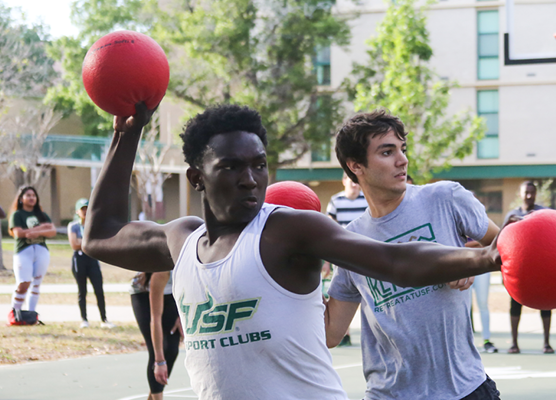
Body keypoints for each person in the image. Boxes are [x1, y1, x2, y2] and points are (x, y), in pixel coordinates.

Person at [83, 103, 504, 400]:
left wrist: (486, 257)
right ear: (196, 177)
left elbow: (393, 260)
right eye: (231, 166)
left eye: (260, 164)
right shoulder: (182, 240)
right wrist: (129, 132)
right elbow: (99, 236)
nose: (251, 179)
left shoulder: (287, 231)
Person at [325, 110, 502, 399]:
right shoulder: (349, 241)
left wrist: (469, 258)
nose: (402, 159)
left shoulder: (445, 197)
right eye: (386, 151)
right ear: (356, 165)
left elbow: (505, 247)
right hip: (389, 394)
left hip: (464, 388)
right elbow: (331, 333)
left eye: (402, 149)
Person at [503, 181, 553, 354]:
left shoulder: (543, 213)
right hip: (520, 268)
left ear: (536, 194)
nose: (529, 196)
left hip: (540, 267)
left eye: (532, 192)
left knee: (545, 303)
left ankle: (546, 343)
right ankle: (514, 343)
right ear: (520, 194)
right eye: (526, 192)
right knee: (515, 303)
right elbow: (503, 239)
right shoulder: (512, 215)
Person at [323, 173, 369, 347]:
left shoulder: (366, 200)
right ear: (344, 181)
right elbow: (328, 230)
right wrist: (327, 260)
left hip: (366, 253)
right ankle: (345, 333)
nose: (354, 185)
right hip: (342, 254)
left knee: (367, 293)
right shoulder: (336, 201)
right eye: (351, 181)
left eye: (356, 181)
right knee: (342, 293)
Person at [130, 271, 182, 400]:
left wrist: (183, 315)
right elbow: (155, 318)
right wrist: (159, 361)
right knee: (157, 351)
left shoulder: (191, 257)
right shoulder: (161, 272)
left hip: (173, 294)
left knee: (171, 350)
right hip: (143, 292)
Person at [7, 186, 56, 322]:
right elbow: (18, 233)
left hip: (41, 250)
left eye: (33, 195)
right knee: (24, 282)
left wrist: (36, 231)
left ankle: (31, 315)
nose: (31, 198)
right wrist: (42, 228)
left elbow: (52, 231)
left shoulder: (41, 214)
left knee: (36, 283)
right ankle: (15, 314)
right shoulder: (17, 215)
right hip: (24, 251)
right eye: (28, 195)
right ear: (21, 198)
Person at [68, 198, 115, 329]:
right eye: (82, 209)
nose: (85, 211)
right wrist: (88, 243)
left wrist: (84, 242)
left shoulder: (94, 225)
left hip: (92, 259)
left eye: (87, 208)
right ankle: (84, 318)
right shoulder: (74, 226)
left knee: (99, 290)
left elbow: (99, 243)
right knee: (82, 291)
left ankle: (104, 318)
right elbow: (75, 244)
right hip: (79, 259)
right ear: (78, 211)